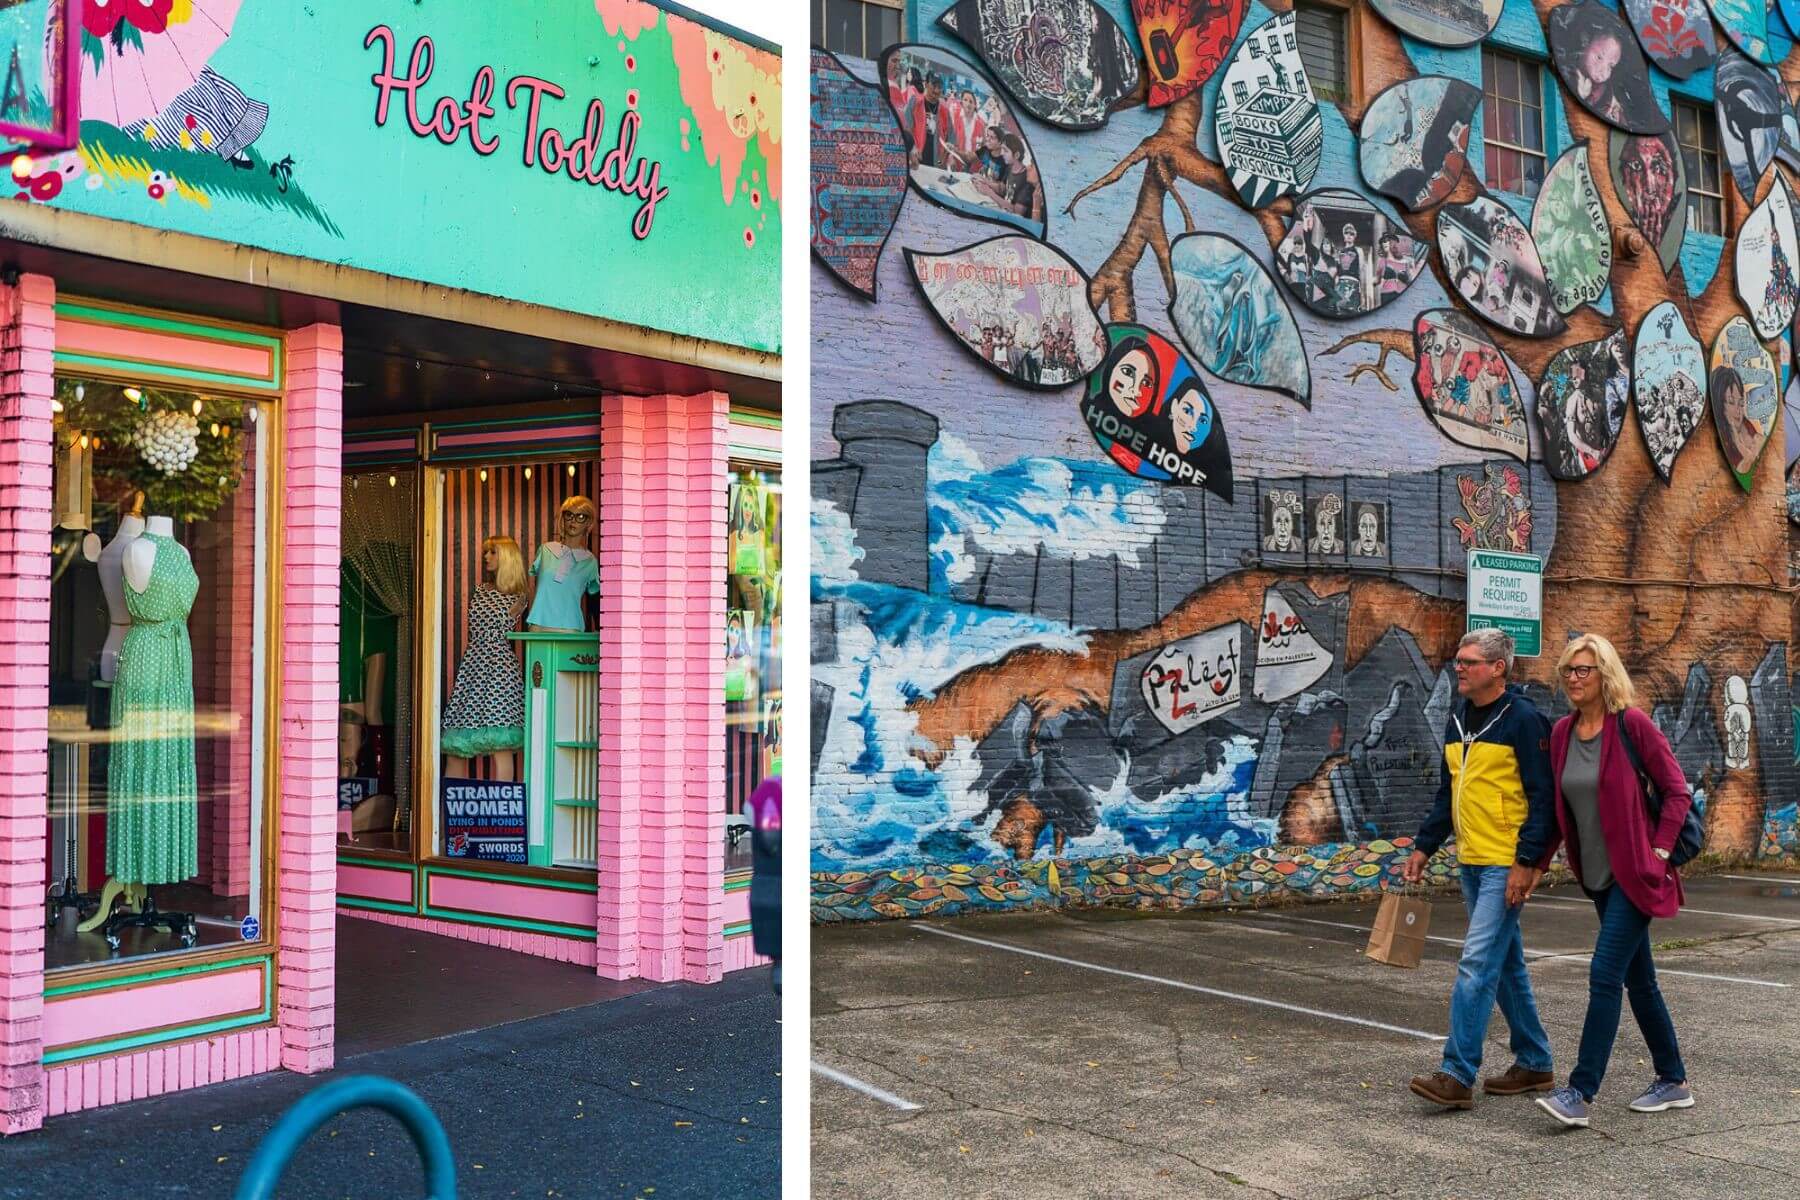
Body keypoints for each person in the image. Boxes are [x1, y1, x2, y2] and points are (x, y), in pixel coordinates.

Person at [1532, 634, 1695, 1128]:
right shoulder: (1562, 733)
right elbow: (1560, 813)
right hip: (1599, 877)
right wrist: (1534, 866)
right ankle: (1673, 1080)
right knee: (1639, 980)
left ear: (1606, 675)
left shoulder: (1632, 725)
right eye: (1569, 671)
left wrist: (1660, 852)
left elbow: (1676, 792)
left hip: (1636, 876)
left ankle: (1580, 1092)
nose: (1575, 679)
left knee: (1605, 974)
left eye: (1584, 670)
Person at [1403, 628, 1557, 1110]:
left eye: (1469, 661)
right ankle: (1534, 1062)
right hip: (1470, 861)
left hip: (1502, 865)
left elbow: (1544, 799)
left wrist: (1526, 862)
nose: (1459, 667)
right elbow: (1449, 793)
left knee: (1475, 964)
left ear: (1498, 669)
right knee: (1506, 965)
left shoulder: (1525, 721)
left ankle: (1456, 1073)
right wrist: (1425, 846)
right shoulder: (1459, 719)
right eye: (1458, 660)